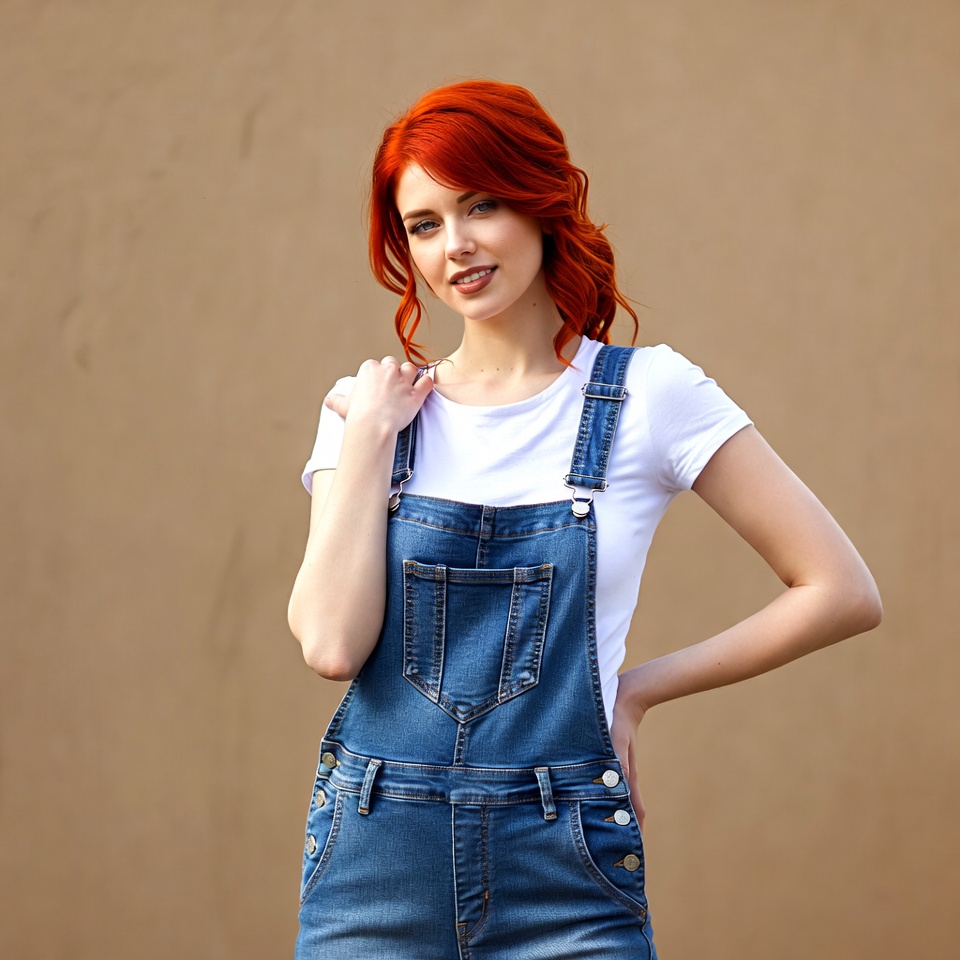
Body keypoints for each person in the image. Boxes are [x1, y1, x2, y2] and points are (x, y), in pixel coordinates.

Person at [287, 79, 881, 959]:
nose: (456, 246)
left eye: (480, 205)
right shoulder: (367, 412)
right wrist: (371, 438)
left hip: (563, 868)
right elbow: (331, 645)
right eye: (423, 224)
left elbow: (841, 590)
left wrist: (636, 689)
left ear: (540, 199)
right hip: (372, 869)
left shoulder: (651, 395)